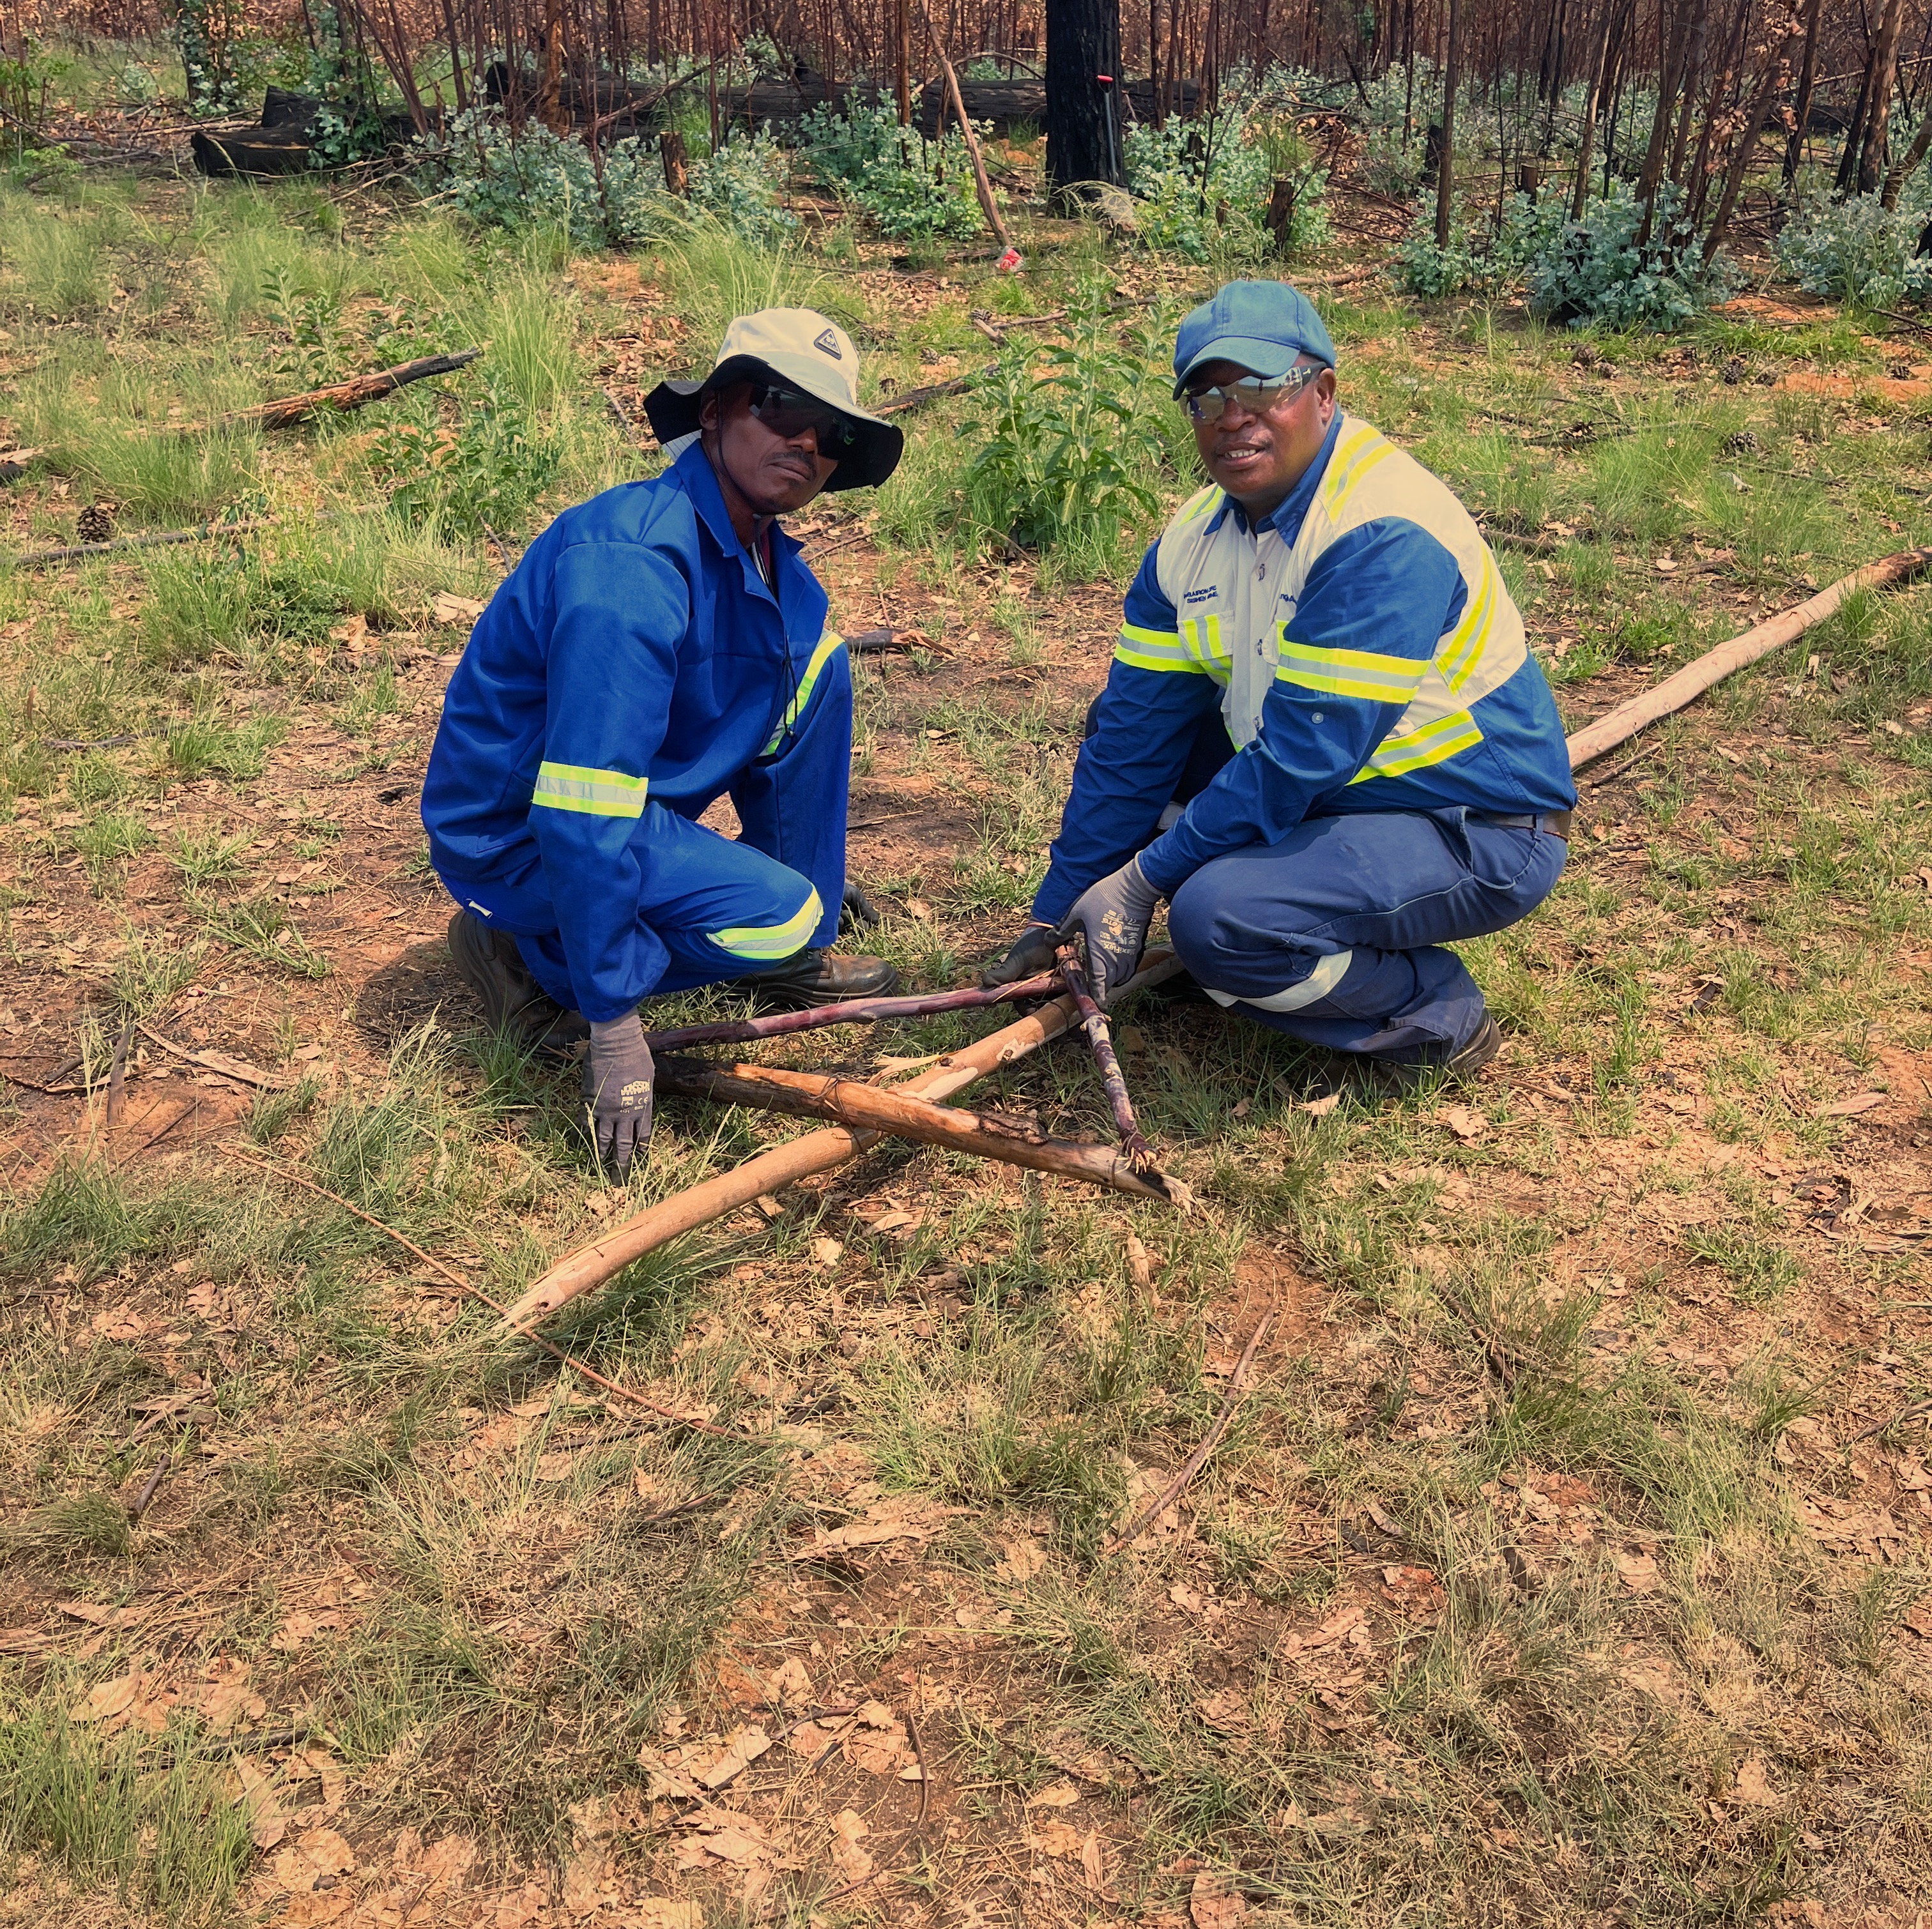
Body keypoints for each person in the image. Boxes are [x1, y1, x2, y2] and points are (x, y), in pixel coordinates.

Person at [985, 280, 1574, 1084]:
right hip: (1344, 795)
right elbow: (1133, 740)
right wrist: (1056, 913)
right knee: (1132, 739)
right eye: (1207, 396)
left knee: (1221, 920)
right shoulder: (1188, 543)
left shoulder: (1379, 526)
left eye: (1262, 386)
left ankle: (1437, 1013)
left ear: (1323, 392)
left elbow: (1303, 754)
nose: (1232, 414)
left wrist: (1144, 879)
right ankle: (1270, 928)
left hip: (1472, 822)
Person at [422, 309, 903, 1173]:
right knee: (778, 913)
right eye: (782, 408)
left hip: (615, 802)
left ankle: (794, 933)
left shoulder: (761, 556)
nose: (806, 442)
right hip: (524, 832)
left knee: (816, 667)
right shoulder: (633, 565)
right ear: (716, 411)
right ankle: (539, 958)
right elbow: (580, 804)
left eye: (830, 431)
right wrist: (612, 1021)